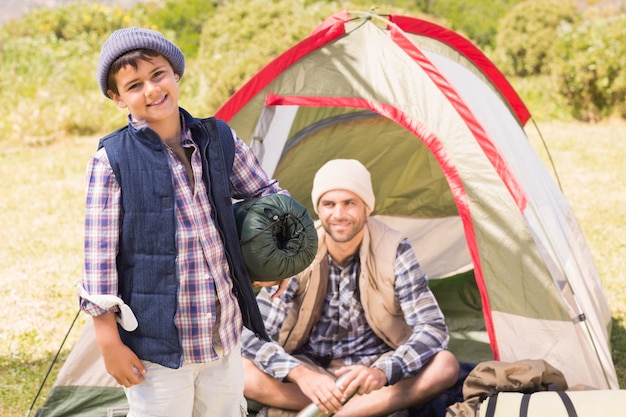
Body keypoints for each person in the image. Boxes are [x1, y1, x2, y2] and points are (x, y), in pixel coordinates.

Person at [78, 27, 287, 417]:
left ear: (175, 73)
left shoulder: (219, 140)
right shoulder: (111, 162)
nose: (152, 90)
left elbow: (268, 195)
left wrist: (279, 254)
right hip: (156, 347)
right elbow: (98, 259)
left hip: (223, 334)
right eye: (135, 84)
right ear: (117, 97)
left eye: (158, 74)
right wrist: (108, 340)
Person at [241, 159, 460, 417]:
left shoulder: (394, 248)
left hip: (372, 374)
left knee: (445, 365)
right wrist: (299, 373)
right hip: (311, 373)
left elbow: (432, 328)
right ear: (318, 209)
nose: (338, 215)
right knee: (240, 370)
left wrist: (384, 370)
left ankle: (340, 412)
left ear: (366, 207)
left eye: (349, 203)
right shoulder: (297, 250)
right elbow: (252, 332)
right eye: (329, 204)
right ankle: (357, 410)